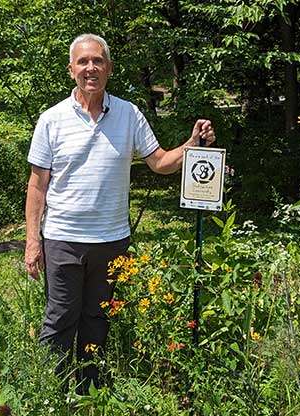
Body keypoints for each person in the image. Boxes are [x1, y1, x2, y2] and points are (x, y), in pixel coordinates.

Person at [24, 33, 215, 392]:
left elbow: (159, 162)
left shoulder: (128, 114)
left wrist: (191, 145)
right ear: (71, 70)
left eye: (97, 61)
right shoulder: (51, 119)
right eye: (83, 62)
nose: (90, 68)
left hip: (112, 241)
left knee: (98, 320)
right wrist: (32, 241)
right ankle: (48, 397)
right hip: (63, 239)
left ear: (109, 68)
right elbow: (37, 186)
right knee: (60, 319)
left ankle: (90, 393)